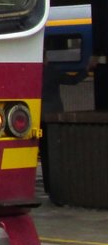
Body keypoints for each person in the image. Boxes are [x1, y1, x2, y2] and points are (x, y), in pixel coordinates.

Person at [40, 52, 97, 199]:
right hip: (52, 117)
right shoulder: (51, 72)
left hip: (37, 117)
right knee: (54, 153)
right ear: (45, 59)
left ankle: (47, 186)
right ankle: (55, 188)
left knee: (44, 151)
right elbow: (73, 80)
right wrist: (87, 69)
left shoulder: (30, 74)